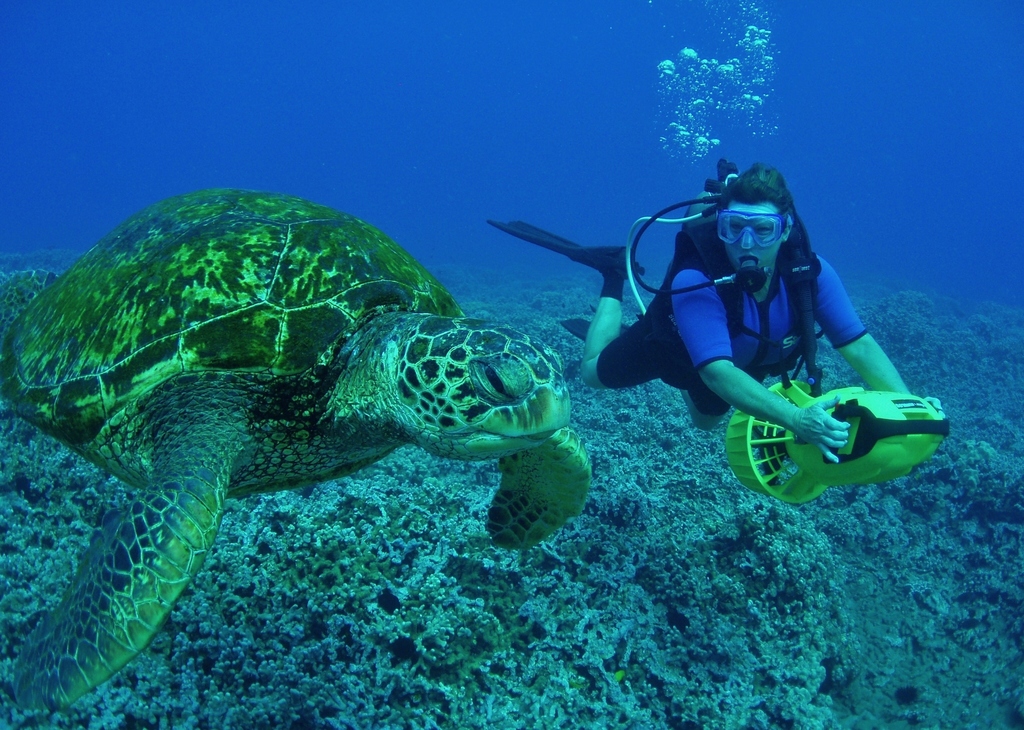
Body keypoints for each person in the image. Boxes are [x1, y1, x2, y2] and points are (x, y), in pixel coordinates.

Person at [490, 161, 943, 463]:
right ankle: (612, 273)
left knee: (706, 424)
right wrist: (798, 420)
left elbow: (858, 345)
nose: (747, 245)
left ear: (785, 232)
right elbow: (718, 373)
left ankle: (698, 391)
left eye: (763, 230)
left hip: (733, 364)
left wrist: (910, 409)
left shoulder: (812, 275)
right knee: (590, 374)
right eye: (734, 228)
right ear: (719, 225)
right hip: (678, 352)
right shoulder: (696, 280)